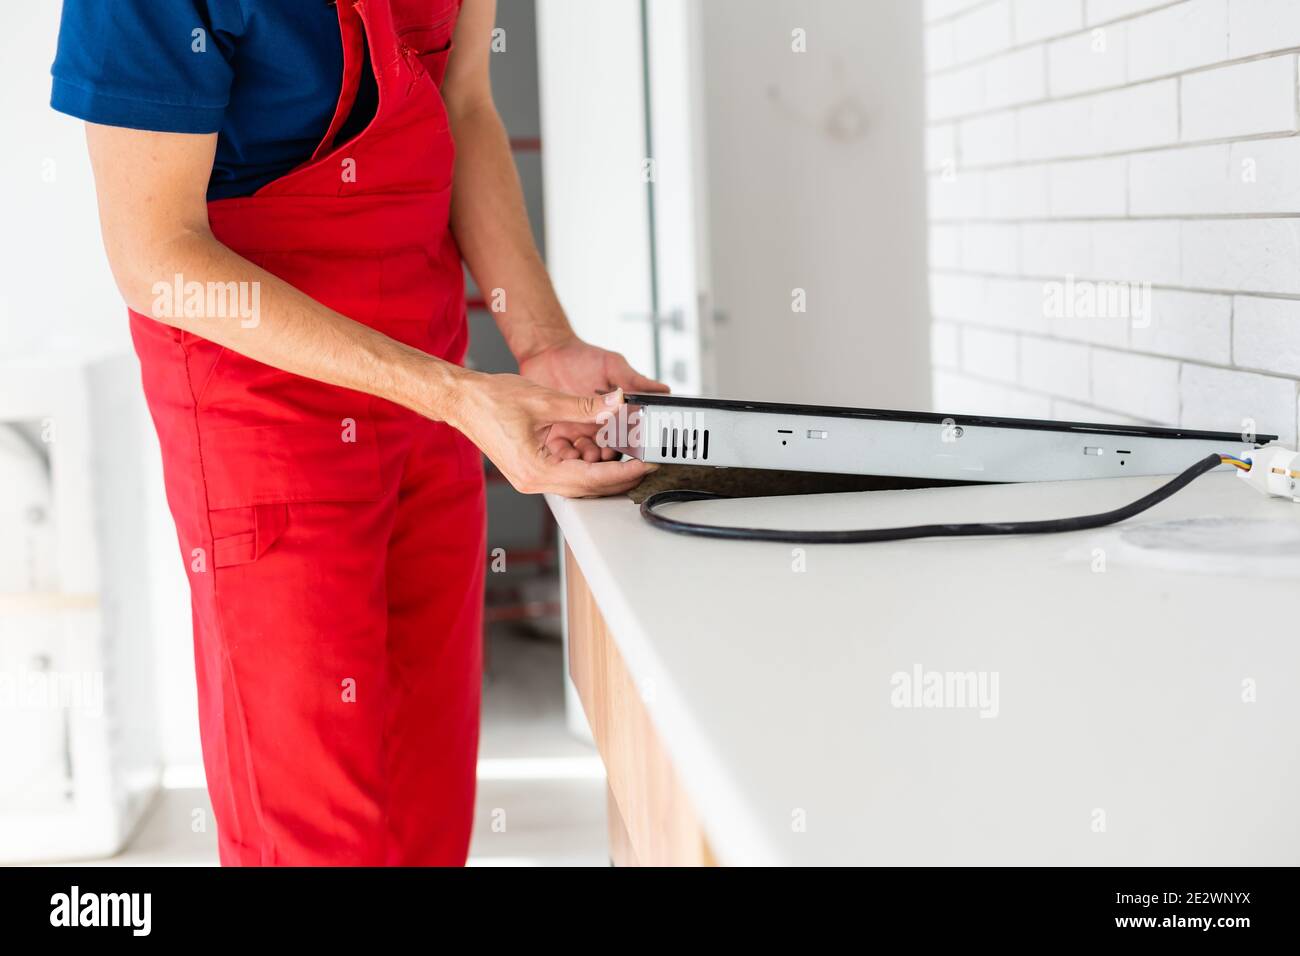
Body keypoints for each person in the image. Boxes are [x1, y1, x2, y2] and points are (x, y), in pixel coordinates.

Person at [51, 0, 665, 865]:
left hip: (431, 392)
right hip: (260, 413)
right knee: (313, 827)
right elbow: (156, 253)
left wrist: (542, 342)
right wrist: (453, 394)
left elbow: (466, 107)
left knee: (427, 800)